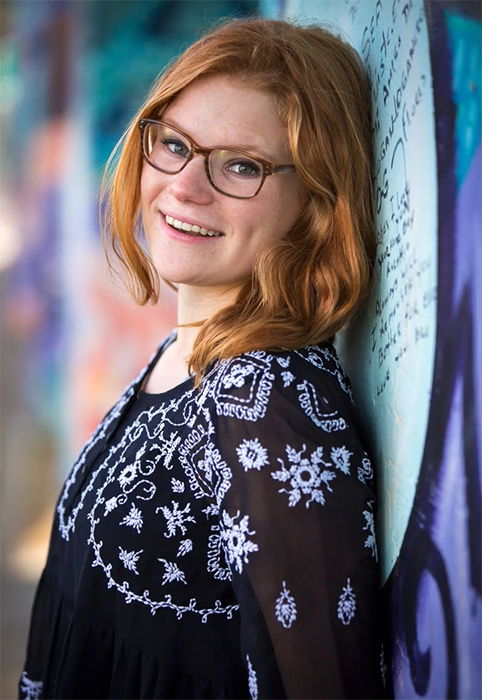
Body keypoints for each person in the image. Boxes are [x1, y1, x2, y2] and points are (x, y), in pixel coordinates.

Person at [19, 18, 384, 700]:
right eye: (176, 146)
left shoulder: (267, 402)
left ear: (315, 208)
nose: (185, 187)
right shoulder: (185, 355)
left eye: (242, 165)